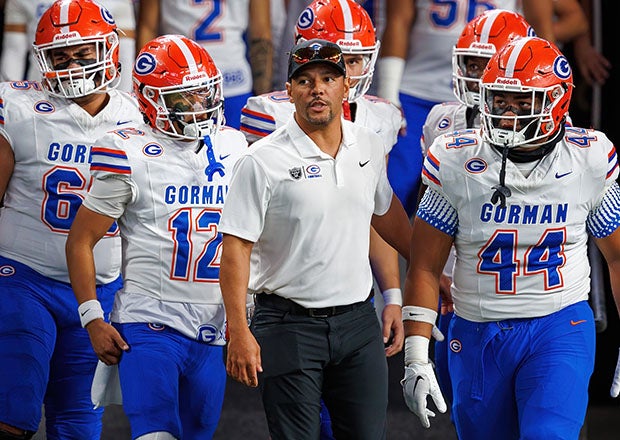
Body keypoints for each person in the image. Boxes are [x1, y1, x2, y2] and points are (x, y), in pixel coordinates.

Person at [401, 35, 620, 439]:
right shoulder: (455, 159)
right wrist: (416, 353)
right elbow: (425, 266)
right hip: (478, 329)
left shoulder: (588, 159)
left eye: (523, 103)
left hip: (560, 323)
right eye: (500, 100)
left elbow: (617, 256)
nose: (508, 114)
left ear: (557, 101)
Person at [219, 38, 412, 439]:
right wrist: (238, 329)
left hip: (359, 321)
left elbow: (385, 211)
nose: (317, 88)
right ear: (289, 91)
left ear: (345, 86)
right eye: (305, 80)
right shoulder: (262, 160)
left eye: (328, 78)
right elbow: (236, 248)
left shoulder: (370, 145)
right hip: (288, 324)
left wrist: (425, 272)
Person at [65, 34, 248, 439]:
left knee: (197, 433)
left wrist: (245, 313)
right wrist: (93, 317)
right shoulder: (127, 151)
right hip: (149, 318)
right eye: (185, 98)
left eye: (204, 94)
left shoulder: (233, 145)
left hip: (212, 323)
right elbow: (80, 241)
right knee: (156, 433)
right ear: (151, 101)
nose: (199, 107)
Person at [0, 0, 142, 438]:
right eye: (61, 56)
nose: (74, 65)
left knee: (78, 419)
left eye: (83, 53)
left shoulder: (139, 116)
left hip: (103, 288)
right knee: (13, 413)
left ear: (110, 51)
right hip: (24, 276)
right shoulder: (19, 107)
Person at [419, 9, 535, 405]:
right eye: (472, 63)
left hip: (524, 287)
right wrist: (435, 275)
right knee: (464, 406)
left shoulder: (551, 130)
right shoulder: (441, 122)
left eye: (489, 64)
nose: (479, 73)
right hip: (457, 285)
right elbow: (432, 211)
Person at [375, 0, 556, 216]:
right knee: (396, 189)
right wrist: (388, 92)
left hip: (503, 96)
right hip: (418, 89)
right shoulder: (439, 116)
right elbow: (398, 20)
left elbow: (549, 28)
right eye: (475, 66)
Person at [136, 0, 272, 130]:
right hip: (233, 79)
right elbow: (261, 36)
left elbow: (148, 27)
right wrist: (263, 99)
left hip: (180, 84)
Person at [0, 0, 136, 91]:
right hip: (45, 89)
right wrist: (8, 94)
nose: (73, 67)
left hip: (99, 90)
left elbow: (123, 55)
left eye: (83, 53)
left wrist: (124, 96)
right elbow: (14, 51)